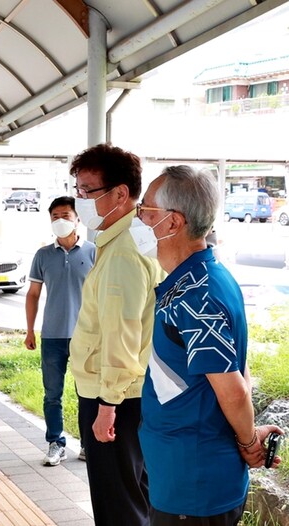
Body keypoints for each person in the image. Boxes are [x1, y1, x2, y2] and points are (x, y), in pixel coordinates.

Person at [135, 165, 284, 525]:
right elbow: (239, 364)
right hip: (182, 473)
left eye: (145, 210)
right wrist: (247, 434)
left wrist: (249, 443)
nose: (138, 218)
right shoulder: (203, 278)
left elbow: (233, 390)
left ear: (172, 222)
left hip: (193, 487)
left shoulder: (196, 296)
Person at [68, 143, 164, 526]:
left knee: (117, 504)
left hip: (113, 397)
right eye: (77, 190)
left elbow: (121, 334)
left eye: (87, 190)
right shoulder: (136, 237)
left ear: (120, 193)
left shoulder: (123, 251)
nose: (80, 200)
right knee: (137, 494)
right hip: (134, 392)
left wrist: (107, 405)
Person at [25, 196, 95, 466]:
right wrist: (29, 330)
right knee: (52, 394)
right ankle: (56, 443)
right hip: (52, 336)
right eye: (55, 216)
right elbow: (33, 294)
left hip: (85, 336)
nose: (60, 220)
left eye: (65, 215)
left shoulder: (93, 252)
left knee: (87, 393)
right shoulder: (43, 255)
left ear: (78, 219)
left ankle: (88, 445)